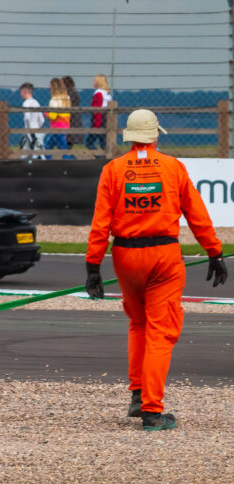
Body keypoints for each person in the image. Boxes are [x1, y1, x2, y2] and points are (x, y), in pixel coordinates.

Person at [85, 109, 227, 431]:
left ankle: (137, 395)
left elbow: (100, 223)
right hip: (163, 256)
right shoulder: (173, 167)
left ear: (129, 137)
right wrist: (214, 252)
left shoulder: (113, 169)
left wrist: (93, 265)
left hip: (125, 256)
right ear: (155, 136)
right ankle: (152, 410)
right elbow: (196, 213)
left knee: (138, 323)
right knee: (161, 332)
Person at [85, 74, 112, 157]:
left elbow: (97, 109)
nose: (93, 82)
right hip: (105, 120)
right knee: (103, 144)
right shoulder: (106, 94)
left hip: (98, 121)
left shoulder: (98, 94)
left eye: (95, 80)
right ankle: (106, 160)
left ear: (99, 82)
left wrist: (96, 125)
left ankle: (100, 159)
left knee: (89, 142)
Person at [44, 77, 71, 157]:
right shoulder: (67, 98)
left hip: (56, 127)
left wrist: (46, 113)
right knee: (49, 146)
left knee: (60, 149)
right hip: (65, 126)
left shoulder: (54, 100)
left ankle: (68, 163)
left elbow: (53, 116)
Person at [18, 82, 45, 159]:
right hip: (38, 131)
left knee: (29, 154)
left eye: (21, 92)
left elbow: (27, 118)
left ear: (25, 91)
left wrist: (29, 130)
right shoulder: (36, 102)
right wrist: (37, 127)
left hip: (29, 132)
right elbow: (42, 120)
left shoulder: (26, 103)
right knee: (37, 152)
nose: (20, 94)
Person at [63, 76, 82, 149]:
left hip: (72, 121)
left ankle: (68, 158)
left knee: (68, 143)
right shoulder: (70, 93)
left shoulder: (71, 93)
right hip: (70, 120)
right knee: (67, 145)